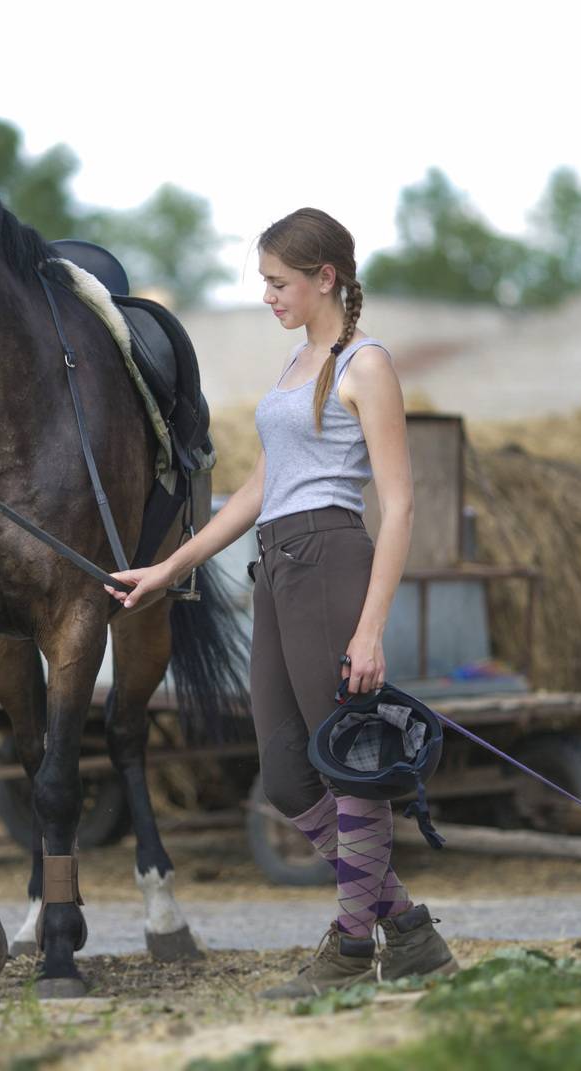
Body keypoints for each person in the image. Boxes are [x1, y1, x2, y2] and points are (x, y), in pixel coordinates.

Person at [105, 207, 457, 996]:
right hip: (279, 567)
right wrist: (170, 565)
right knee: (289, 774)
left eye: (278, 282)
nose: (267, 296)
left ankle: (347, 946)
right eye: (264, 282)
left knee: (352, 768)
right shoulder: (295, 366)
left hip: (333, 559)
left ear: (325, 277)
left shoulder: (366, 364)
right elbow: (261, 488)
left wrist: (370, 629)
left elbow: (398, 505)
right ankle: (404, 929)